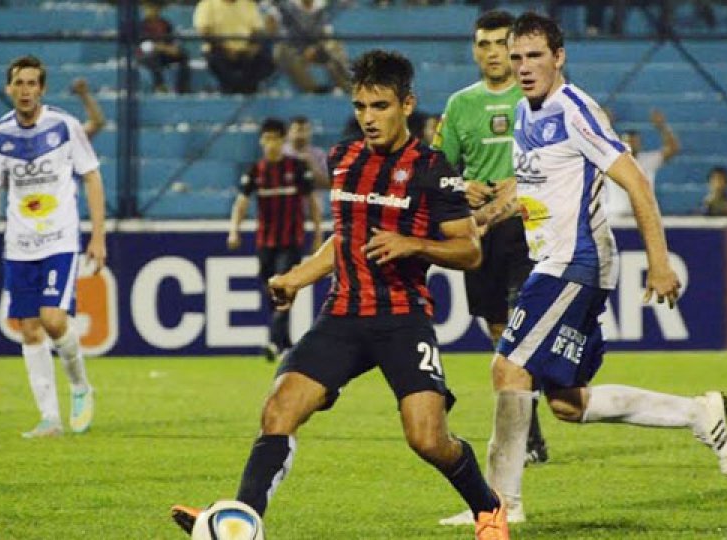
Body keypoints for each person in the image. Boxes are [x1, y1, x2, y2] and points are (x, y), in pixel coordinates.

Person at [172, 50, 510, 540]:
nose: (368, 119)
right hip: (343, 316)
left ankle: (488, 507)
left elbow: (469, 250)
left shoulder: (433, 169)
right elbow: (344, 239)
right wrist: (297, 278)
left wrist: (413, 243)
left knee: (427, 438)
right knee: (279, 408)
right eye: (360, 107)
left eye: (380, 106)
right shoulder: (343, 159)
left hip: (402, 318)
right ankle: (240, 523)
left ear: (407, 104)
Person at [442, 12, 727, 525]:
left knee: (507, 367)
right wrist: (485, 218)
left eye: (535, 56)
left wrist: (660, 264)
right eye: (517, 58)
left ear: (559, 57)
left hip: (573, 262)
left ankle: (498, 508)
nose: (524, 67)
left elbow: (637, 183)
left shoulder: (576, 111)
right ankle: (697, 412)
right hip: (556, 261)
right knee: (566, 403)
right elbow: (528, 182)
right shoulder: (525, 113)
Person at [431, 10, 548, 490]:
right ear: (475, 49)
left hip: (531, 226)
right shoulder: (460, 105)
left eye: (501, 42)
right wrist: (466, 185)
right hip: (479, 233)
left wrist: (516, 185)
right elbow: (439, 173)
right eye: (484, 43)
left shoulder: (536, 94)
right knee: (500, 331)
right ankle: (533, 433)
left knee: (522, 325)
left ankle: (530, 435)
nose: (493, 51)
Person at [0, 55, 107, 439]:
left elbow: (92, 178)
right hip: (18, 245)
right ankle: (50, 418)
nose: (26, 90)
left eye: (33, 83)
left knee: (53, 319)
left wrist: (98, 236)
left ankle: (80, 385)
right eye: (20, 83)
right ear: (9, 88)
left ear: (42, 89)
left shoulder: (64, 126)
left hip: (60, 239)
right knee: (29, 329)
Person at [228, 118, 323, 361]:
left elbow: (312, 201)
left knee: (282, 286)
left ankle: (272, 341)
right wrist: (234, 230)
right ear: (262, 141)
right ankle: (285, 343)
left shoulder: (297, 168)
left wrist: (318, 233)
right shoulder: (255, 171)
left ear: (283, 141)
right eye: (267, 139)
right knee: (270, 290)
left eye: (275, 139)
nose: (271, 144)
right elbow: (241, 202)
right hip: (265, 242)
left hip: (291, 240)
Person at [606, 108, 680, 219]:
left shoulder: (647, 160)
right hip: (615, 216)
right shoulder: (610, 160)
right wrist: (604, 124)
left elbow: (673, 149)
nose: (631, 145)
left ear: (640, 144)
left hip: (642, 218)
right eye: (628, 142)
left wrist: (662, 127)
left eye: (634, 142)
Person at [194, 0, 276, 94]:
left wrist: (253, 47)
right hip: (218, 50)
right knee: (219, 61)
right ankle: (232, 90)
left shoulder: (249, 4)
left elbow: (257, 30)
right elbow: (204, 32)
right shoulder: (207, 4)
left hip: (245, 51)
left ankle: (249, 89)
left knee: (265, 58)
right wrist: (227, 49)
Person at [268, 0, 349, 93]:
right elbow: (272, 28)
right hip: (293, 48)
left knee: (334, 46)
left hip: (317, 48)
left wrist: (315, 48)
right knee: (280, 50)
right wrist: (302, 49)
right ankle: (312, 90)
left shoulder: (322, 5)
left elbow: (326, 34)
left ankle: (347, 89)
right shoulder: (285, 5)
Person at [139, 1, 191, 94]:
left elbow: (172, 40)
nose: (151, 11)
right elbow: (145, 46)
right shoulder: (141, 25)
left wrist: (174, 48)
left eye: (154, 8)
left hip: (164, 53)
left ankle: (182, 88)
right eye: (148, 8)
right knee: (153, 57)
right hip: (146, 56)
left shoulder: (165, 24)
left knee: (183, 55)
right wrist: (163, 47)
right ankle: (160, 86)